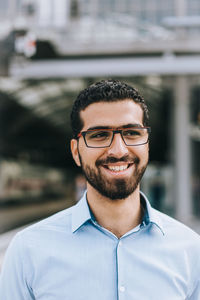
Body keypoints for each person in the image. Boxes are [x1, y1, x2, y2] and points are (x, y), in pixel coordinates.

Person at [0, 79, 200, 299]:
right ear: (76, 151)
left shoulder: (190, 250)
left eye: (132, 133)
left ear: (147, 144)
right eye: (99, 135)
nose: (118, 150)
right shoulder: (28, 250)